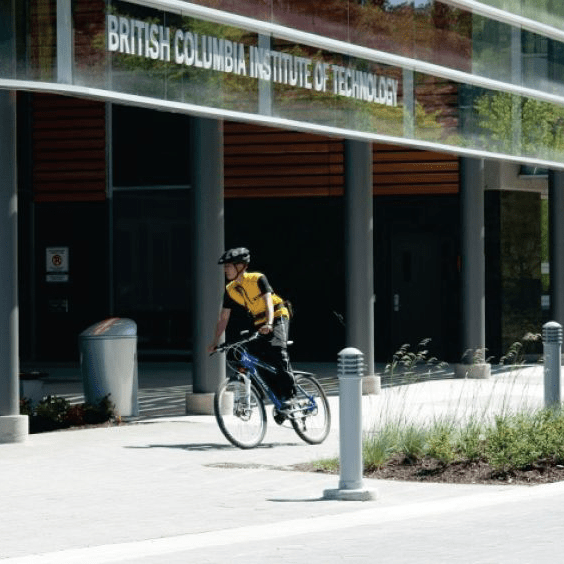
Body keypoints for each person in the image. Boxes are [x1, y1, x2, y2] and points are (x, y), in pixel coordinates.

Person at [208, 247, 296, 407]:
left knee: (277, 350)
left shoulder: (257, 278)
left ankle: (289, 394)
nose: (225, 270)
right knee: (252, 355)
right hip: (258, 322)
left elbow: (268, 302)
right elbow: (224, 317)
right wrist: (215, 342)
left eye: (228, 266)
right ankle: (273, 397)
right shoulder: (230, 289)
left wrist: (269, 323)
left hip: (277, 315)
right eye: (225, 267)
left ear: (241, 266)